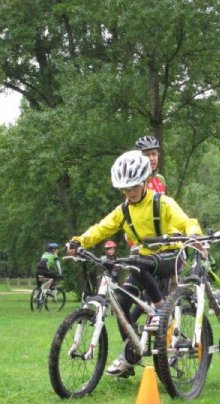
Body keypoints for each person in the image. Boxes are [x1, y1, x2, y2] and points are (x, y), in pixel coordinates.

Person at [66, 150, 202, 377]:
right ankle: (133, 350)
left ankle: (159, 311)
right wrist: (80, 241)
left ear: (144, 182)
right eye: (124, 189)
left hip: (171, 256)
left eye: (133, 188)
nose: (129, 193)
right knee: (121, 304)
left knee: (140, 262)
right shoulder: (124, 210)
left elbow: (186, 222)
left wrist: (194, 235)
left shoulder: (163, 203)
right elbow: (102, 228)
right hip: (144, 260)